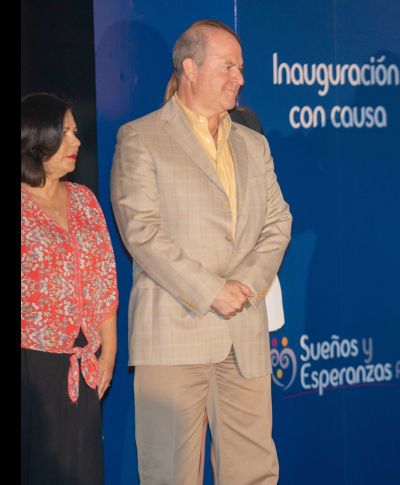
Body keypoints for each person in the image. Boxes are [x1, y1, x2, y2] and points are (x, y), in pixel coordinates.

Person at [110, 19, 292, 484]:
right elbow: (142, 233)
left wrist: (246, 284)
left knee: (254, 472)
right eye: (228, 66)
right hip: (174, 334)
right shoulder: (140, 137)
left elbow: (278, 223)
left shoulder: (254, 144)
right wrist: (211, 290)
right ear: (190, 68)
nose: (240, 77)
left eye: (241, 67)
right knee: (170, 473)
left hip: (243, 334)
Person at [21, 92, 118, 485]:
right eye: (65, 133)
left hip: (84, 365)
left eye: (75, 133)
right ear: (35, 139)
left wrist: (108, 349)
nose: (77, 142)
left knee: (83, 472)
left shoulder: (85, 200)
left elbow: (104, 277)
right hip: (32, 368)